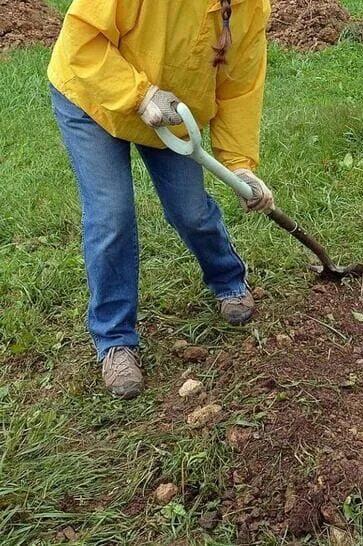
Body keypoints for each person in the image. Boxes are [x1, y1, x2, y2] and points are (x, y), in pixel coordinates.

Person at [48, 0, 273, 399]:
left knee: (190, 210)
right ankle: (115, 340)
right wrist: (141, 93)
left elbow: (240, 85)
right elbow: (82, 38)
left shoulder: (248, 6)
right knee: (111, 215)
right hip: (93, 98)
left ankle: (228, 281)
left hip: (171, 111)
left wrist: (239, 165)